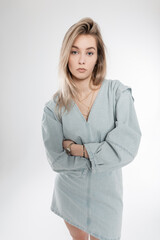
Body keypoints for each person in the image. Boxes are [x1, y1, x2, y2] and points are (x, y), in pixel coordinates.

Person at [41, 17, 142, 240]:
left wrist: (79, 150)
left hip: (108, 194)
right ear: (66, 55)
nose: (82, 60)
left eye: (89, 52)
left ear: (98, 57)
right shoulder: (53, 107)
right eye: (75, 52)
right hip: (70, 193)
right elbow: (57, 160)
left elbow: (126, 147)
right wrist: (104, 152)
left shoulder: (118, 94)